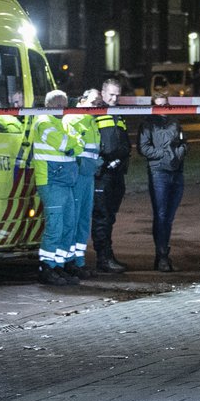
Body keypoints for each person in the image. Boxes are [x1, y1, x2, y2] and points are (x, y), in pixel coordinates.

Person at [31, 88, 82, 285]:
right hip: (51, 181)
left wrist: (74, 145)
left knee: (68, 225)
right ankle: (46, 267)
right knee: (55, 226)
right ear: (48, 105)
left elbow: (78, 144)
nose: (62, 108)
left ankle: (59, 265)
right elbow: (67, 145)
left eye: (64, 105)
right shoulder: (44, 122)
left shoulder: (60, 123)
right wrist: (74, 145)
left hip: (64, 181)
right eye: (58, 105)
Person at [138, 91, 188, 271]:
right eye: (159, 105)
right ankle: (162, 256)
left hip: (177, 172)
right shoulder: (147, 124)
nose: (163, 108)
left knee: (169, 217)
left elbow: (184, 143)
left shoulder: (175, 122)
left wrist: (179, 153)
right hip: (158, 172)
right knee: (160, 215)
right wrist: (164, 154)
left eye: (165, 104)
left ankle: (163, 254)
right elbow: (143, 147)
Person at [91, 76, 131, 273]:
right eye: (111, 94)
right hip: (102, 173)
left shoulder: (118, 114)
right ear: (103, 92)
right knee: (102, 216)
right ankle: (103, 258)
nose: (115, 98)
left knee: (110, 216)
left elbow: (123, 143)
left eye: (118, 95)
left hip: (117, 173)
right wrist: (104, 162)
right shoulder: (95, 113)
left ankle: (108, 255)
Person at [69, 88, 103, 278]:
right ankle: (70, 261)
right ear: (81, 101)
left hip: (88, 175)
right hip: (78, 176)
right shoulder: (73, 119)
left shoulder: (91, 121)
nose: (96, 106)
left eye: (98, 103)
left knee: (83, 219)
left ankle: (79, 261)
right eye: (93, 102)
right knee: (73, 219)